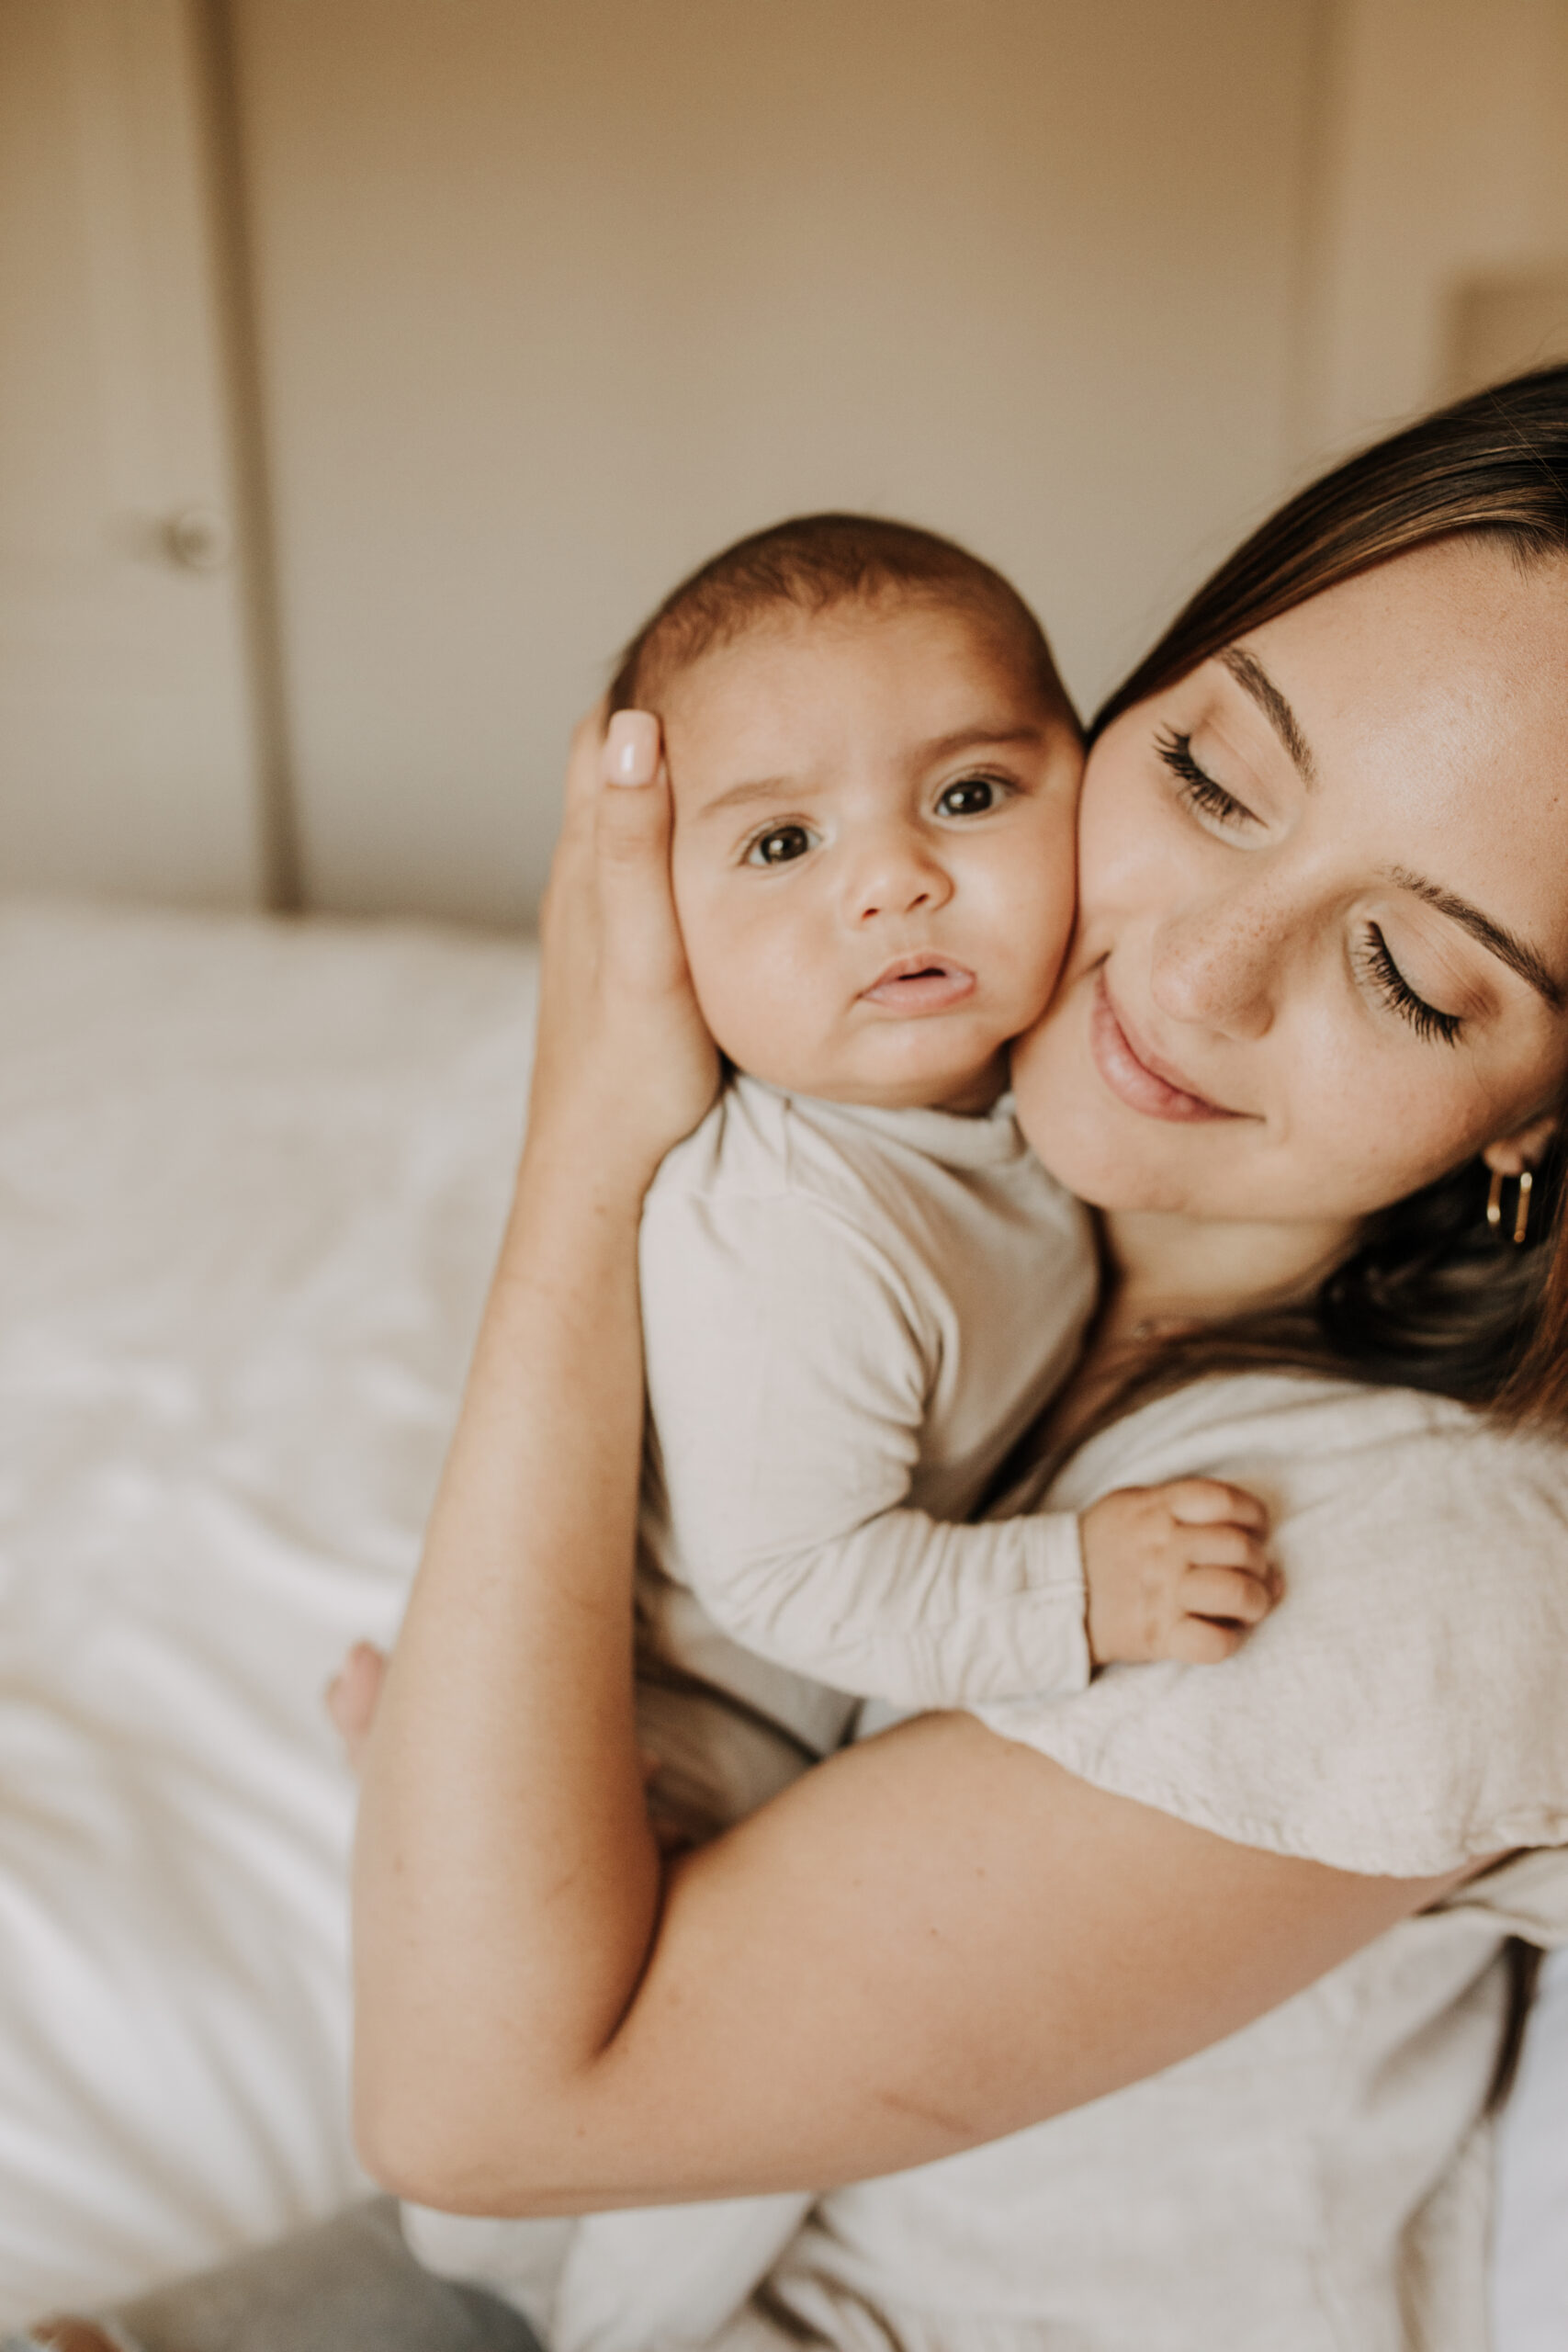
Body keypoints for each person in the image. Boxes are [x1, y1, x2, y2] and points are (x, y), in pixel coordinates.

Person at [28, 368, 1568, 2352]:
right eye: (1202, 777)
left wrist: (585, 1132)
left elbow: (479, 2095)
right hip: (609, 2253)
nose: (1187, 977)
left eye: (1404, 973)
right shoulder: (931, 1162)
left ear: (1543, 1110)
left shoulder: (1425, 1567)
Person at [373, 514, 1273, 2349]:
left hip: (722, 1684)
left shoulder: (1017, 1093)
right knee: (699, 2159)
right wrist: (1067, 1589)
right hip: (688, 1734)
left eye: (966, 794)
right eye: (781, 842)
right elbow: (785, 1575)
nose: (891, 886)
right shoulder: (800, 1215)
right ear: (661, 936)